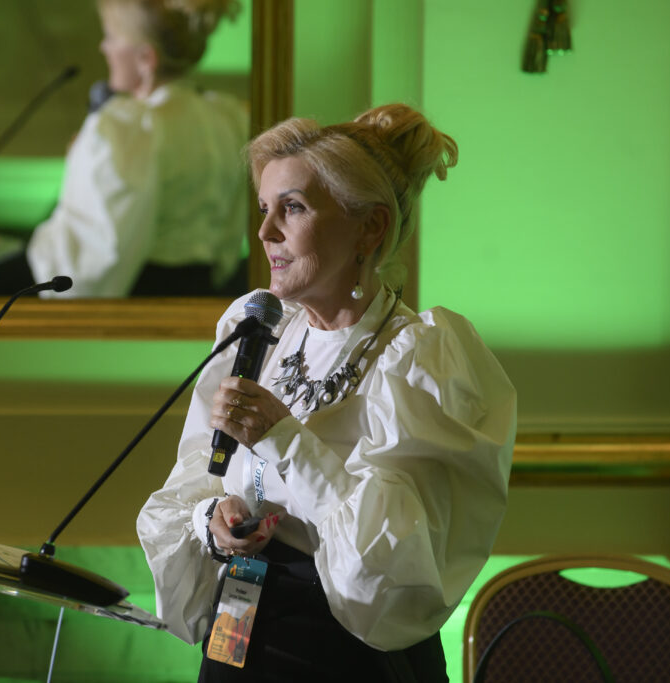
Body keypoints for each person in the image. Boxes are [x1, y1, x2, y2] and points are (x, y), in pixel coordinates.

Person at [136, 103, 517, 681]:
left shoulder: (421, 361)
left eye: (292, 207)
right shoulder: (258, 330)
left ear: (370, 227)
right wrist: (213, 519)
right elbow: (195, 479)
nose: (265, 232)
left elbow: (395, 570)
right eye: (264, 209)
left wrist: (285, 439)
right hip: (237, 626)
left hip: (344, 650)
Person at [26, 0, 248, 298]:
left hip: (140, 303)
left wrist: (78, 167)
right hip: (208, 300)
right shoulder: (227, 119)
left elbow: (89, 267)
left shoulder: (127, 128)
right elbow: (231, 239)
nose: (103, 47)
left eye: (111, 36)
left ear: (146, 58)